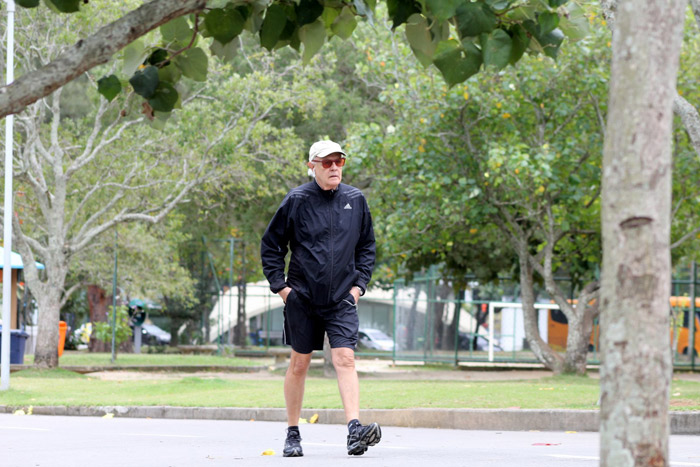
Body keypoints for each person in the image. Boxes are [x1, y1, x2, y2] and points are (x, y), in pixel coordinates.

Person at [260, 140, 380, 457]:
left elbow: (367, 246)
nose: (334, 168)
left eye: (338, 161)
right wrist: (283, 289)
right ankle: (292, 433)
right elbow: (271, 246)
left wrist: (358, 287)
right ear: (311, 166)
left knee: (346, 358)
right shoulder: (297, 200)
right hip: (303, 298)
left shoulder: (356, 200)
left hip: (342, 298)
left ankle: (355, 430)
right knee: (300, 364)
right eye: (326, 163)